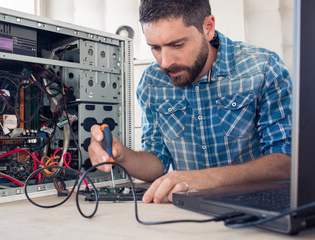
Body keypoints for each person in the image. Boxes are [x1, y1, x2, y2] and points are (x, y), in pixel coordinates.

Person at [88, 0, 292, 204]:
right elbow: (157, 161)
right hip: (187, 214)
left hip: (257, 208)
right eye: (155, 48)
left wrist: (207, 178)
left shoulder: (263, 68)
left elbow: (286, 162)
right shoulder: (152, 82)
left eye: (177, 45)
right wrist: (122, 155)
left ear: (208, 27)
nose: (165, 62)